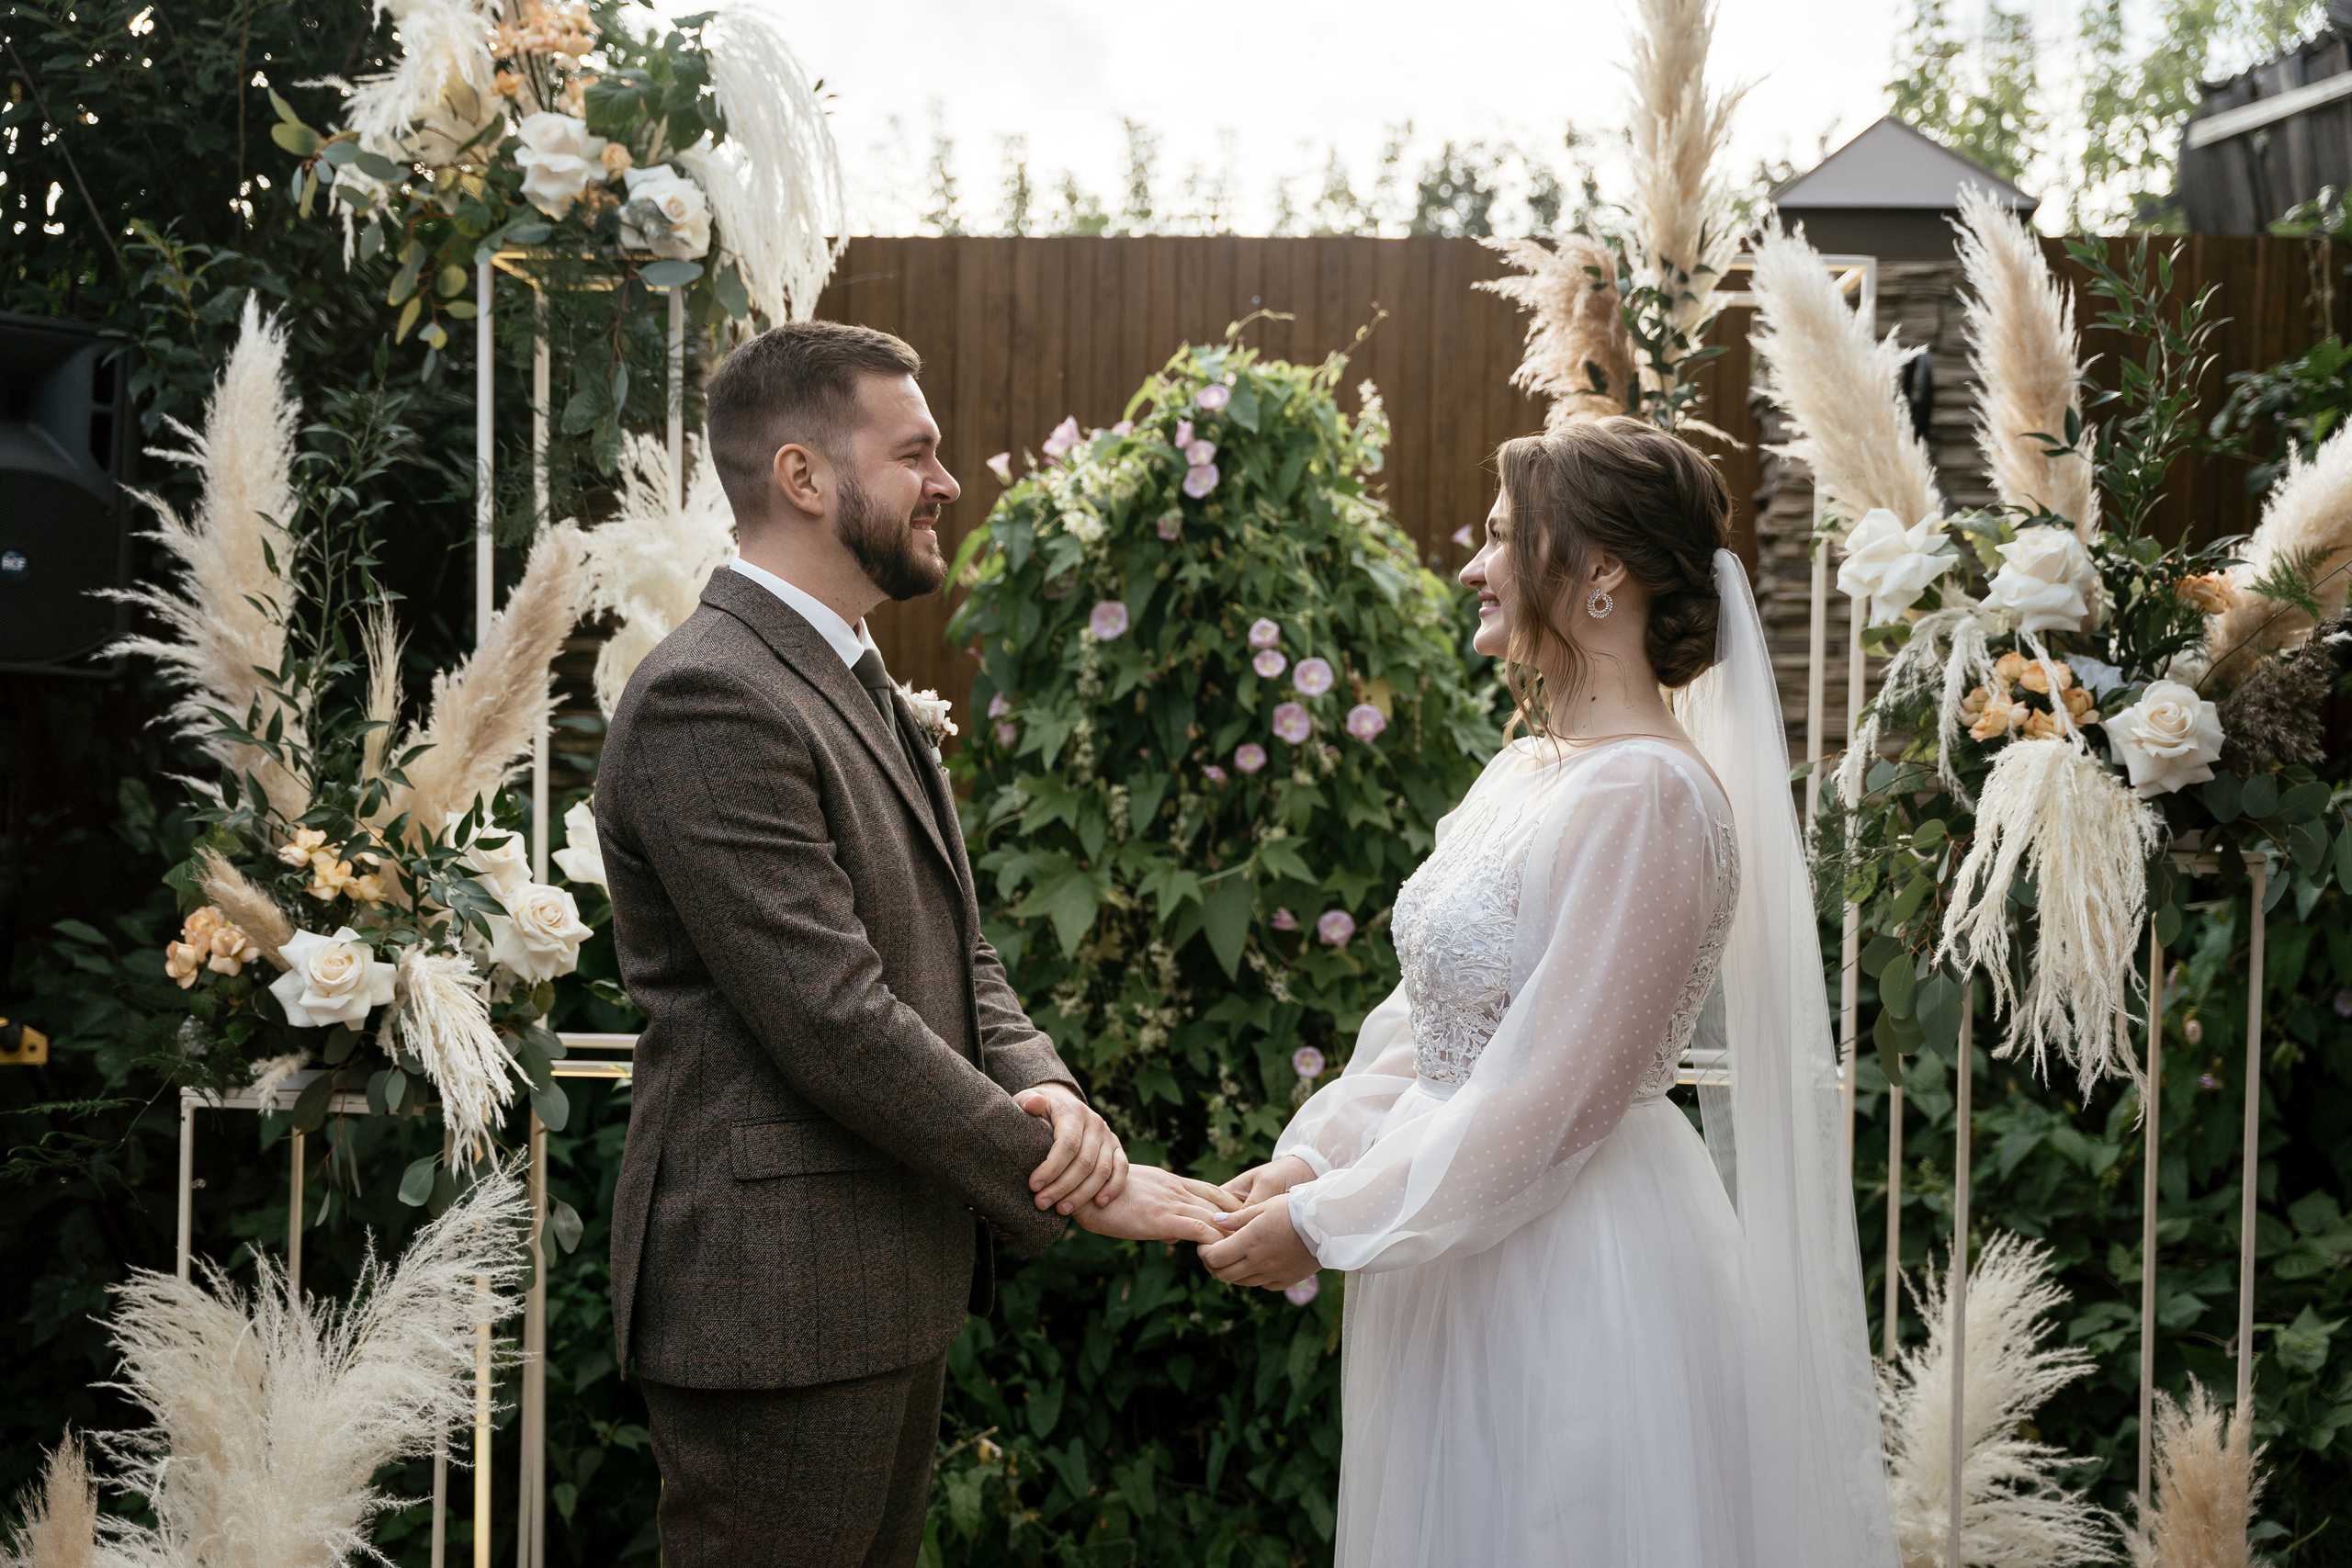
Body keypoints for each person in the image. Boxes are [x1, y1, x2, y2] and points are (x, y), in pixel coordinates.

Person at [1200, 418, 1897, 1568]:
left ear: (1599, 574)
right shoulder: (1525, 768)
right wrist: (1313, 1160)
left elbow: (1551, 1089)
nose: (1472, 566)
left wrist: (1327, 1227)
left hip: (1573, 1264)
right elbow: (1431, 1024)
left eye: (1501, 537)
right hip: (1456, 1244)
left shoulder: (1649, 800)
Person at [595, 321, 1234, 1568]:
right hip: (775, 1307)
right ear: (806, 478)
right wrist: (1076, 1180)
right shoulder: (710, 693)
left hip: (876, 1283)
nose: (948, 483)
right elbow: (834, 1015)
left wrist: (1044, 1082)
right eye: (916, 452)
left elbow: (955, 947)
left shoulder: (856, 677)